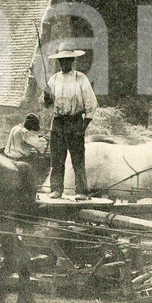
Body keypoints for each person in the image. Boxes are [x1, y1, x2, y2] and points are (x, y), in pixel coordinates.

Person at [43, 43, 97, 200]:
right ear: (59, 61)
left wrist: (83, 126)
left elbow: (91, 103)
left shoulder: (81, 78)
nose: (64, 63)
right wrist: (46, 97)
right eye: (62, 60)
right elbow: (46, 103)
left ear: (72, 60)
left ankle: (81, 191)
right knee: (56, 159)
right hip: (58, 122)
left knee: (78, 159)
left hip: (75, 121)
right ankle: (56, 189)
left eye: (67, 60)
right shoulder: (54, 79)